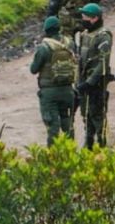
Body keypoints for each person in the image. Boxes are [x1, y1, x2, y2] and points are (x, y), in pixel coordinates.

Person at [29, 16, 78, 146]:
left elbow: (33, 69)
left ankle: (54, 156)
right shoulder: (69, 44)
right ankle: (71, 152)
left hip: (49, 92)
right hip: (68, 90)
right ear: (59, 28)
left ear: (46, 30)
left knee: (53, 126)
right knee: (67, 123)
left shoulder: (44, 48)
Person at [76, 3, 112, 149]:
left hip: (96, 83)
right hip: (84, 82)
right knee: (86, 114)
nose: (82, 19)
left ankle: (102, 144)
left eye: (85, 17)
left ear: (95, 18)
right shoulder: (84, 35)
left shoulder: (103, 36)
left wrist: (90, 82)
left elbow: (104, 62)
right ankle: (89, 143)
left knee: (97, 115)